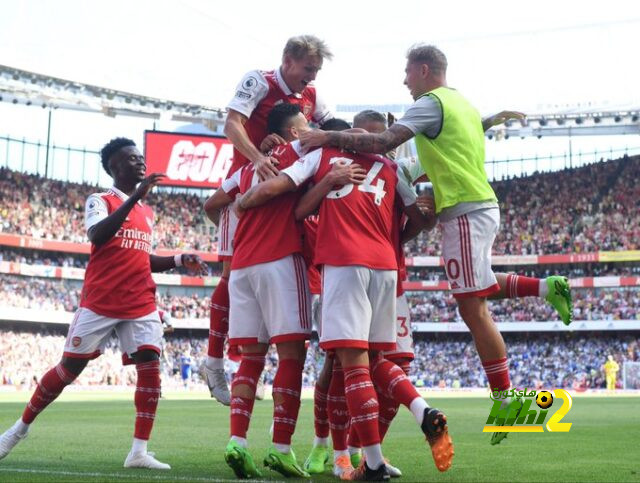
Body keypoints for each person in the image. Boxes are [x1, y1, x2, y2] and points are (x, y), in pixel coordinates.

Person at [300, 44, 574, 446]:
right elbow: (458, 137)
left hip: (462, 211)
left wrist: (326, 135)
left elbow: (383, 142)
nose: (405, 81)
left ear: (424, 70)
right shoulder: (459, 103)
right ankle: (548, 287)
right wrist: (490, 121)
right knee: (475, 288)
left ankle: (508, 403)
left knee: (472, 307)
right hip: (477, 207)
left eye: (408, 73)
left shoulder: (429, 104)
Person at [236, 135, 453, 479]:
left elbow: (295, 207)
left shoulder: (325, 156)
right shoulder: (392, 167)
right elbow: (421, 219)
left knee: (346, 368)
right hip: (386, 270)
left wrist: (245, 200)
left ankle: (362, 460)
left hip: (342, 266)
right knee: (375, 361)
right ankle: (418, 412)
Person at [0, 137, 207, 469]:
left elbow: (143, 258)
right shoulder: (101, 199)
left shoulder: (146, 212)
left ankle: (138, 451)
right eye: (132, 158)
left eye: (141, 158)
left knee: (150, 370)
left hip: (140, 300)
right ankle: (17, 430)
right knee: (68, 370)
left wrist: (181, 258)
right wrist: (134, 198)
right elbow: (97, 235)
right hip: (101, 299)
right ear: (115, 166)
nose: (141, 162)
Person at [203, 104, 356, 479]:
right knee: (291, 356)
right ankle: (281, 449)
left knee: (251, 359)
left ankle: (237, 442)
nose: (312, 131)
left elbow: (211, 206)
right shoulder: (301, 151)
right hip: (280, 259)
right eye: (306, 126)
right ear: (292, 132)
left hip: (242, 267)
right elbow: (297, 200)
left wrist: (243, 213)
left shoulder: (245, 168)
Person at [202, 35, 334, 406]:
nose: (311, 77)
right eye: (308, 68)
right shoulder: (258, 81)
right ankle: (214, 361)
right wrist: (256, 158)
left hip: (284, 193)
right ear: (287, 60)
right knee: (231, 273)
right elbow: (232, 124)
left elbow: (330, 129)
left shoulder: (313, 98)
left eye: (316, 71)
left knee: (257, 276)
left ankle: (244, 362)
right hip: (243, 187)